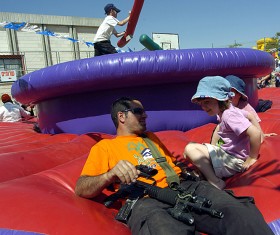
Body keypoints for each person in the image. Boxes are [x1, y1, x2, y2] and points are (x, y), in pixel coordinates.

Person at [75, 96, 273, 235]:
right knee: (163, 229)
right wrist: (110, 174)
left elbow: (174, 166)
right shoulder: (105, 147)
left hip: (184, 188)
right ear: (121, 116)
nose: (145, 116)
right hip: (145, 200)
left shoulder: (152, 139)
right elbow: (82, 188)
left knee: (238, 211)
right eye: (138, 111)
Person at [184, 76, 262, 190]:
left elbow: (255, 133)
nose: (204, 107)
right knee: (191, 150)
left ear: (221, 100)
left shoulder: (228, 115)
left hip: (234, 160)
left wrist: (252, 157)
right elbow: (249, 116)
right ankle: (207, 172)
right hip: (228, 154)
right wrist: (215, 146)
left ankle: (215, 182)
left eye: (207, 102)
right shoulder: (227, 111)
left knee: (190, 149)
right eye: (201, 103)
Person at [224, 75, 277, 142]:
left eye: (231, 94)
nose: (228, 97)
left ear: (239, 95)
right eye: (226, 93)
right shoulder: (223, 106)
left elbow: (254, 120)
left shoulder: (244, 106)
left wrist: (261, 134)